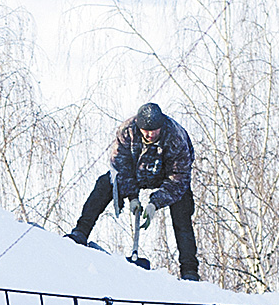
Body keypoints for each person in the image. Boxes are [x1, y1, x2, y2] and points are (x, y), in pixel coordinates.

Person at [66, 103, 200, 281]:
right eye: (146, 131)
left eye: (154, 131)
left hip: (166, 175)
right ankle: (80, 232)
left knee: (182, 208)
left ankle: (189, 270)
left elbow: (179, 178)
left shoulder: (176, 137)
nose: (150, 134)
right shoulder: (126, 131)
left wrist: (154, 203)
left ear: (162, 126)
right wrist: (133, 197)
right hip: (136, 172)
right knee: (105, 183)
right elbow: (120, 167)